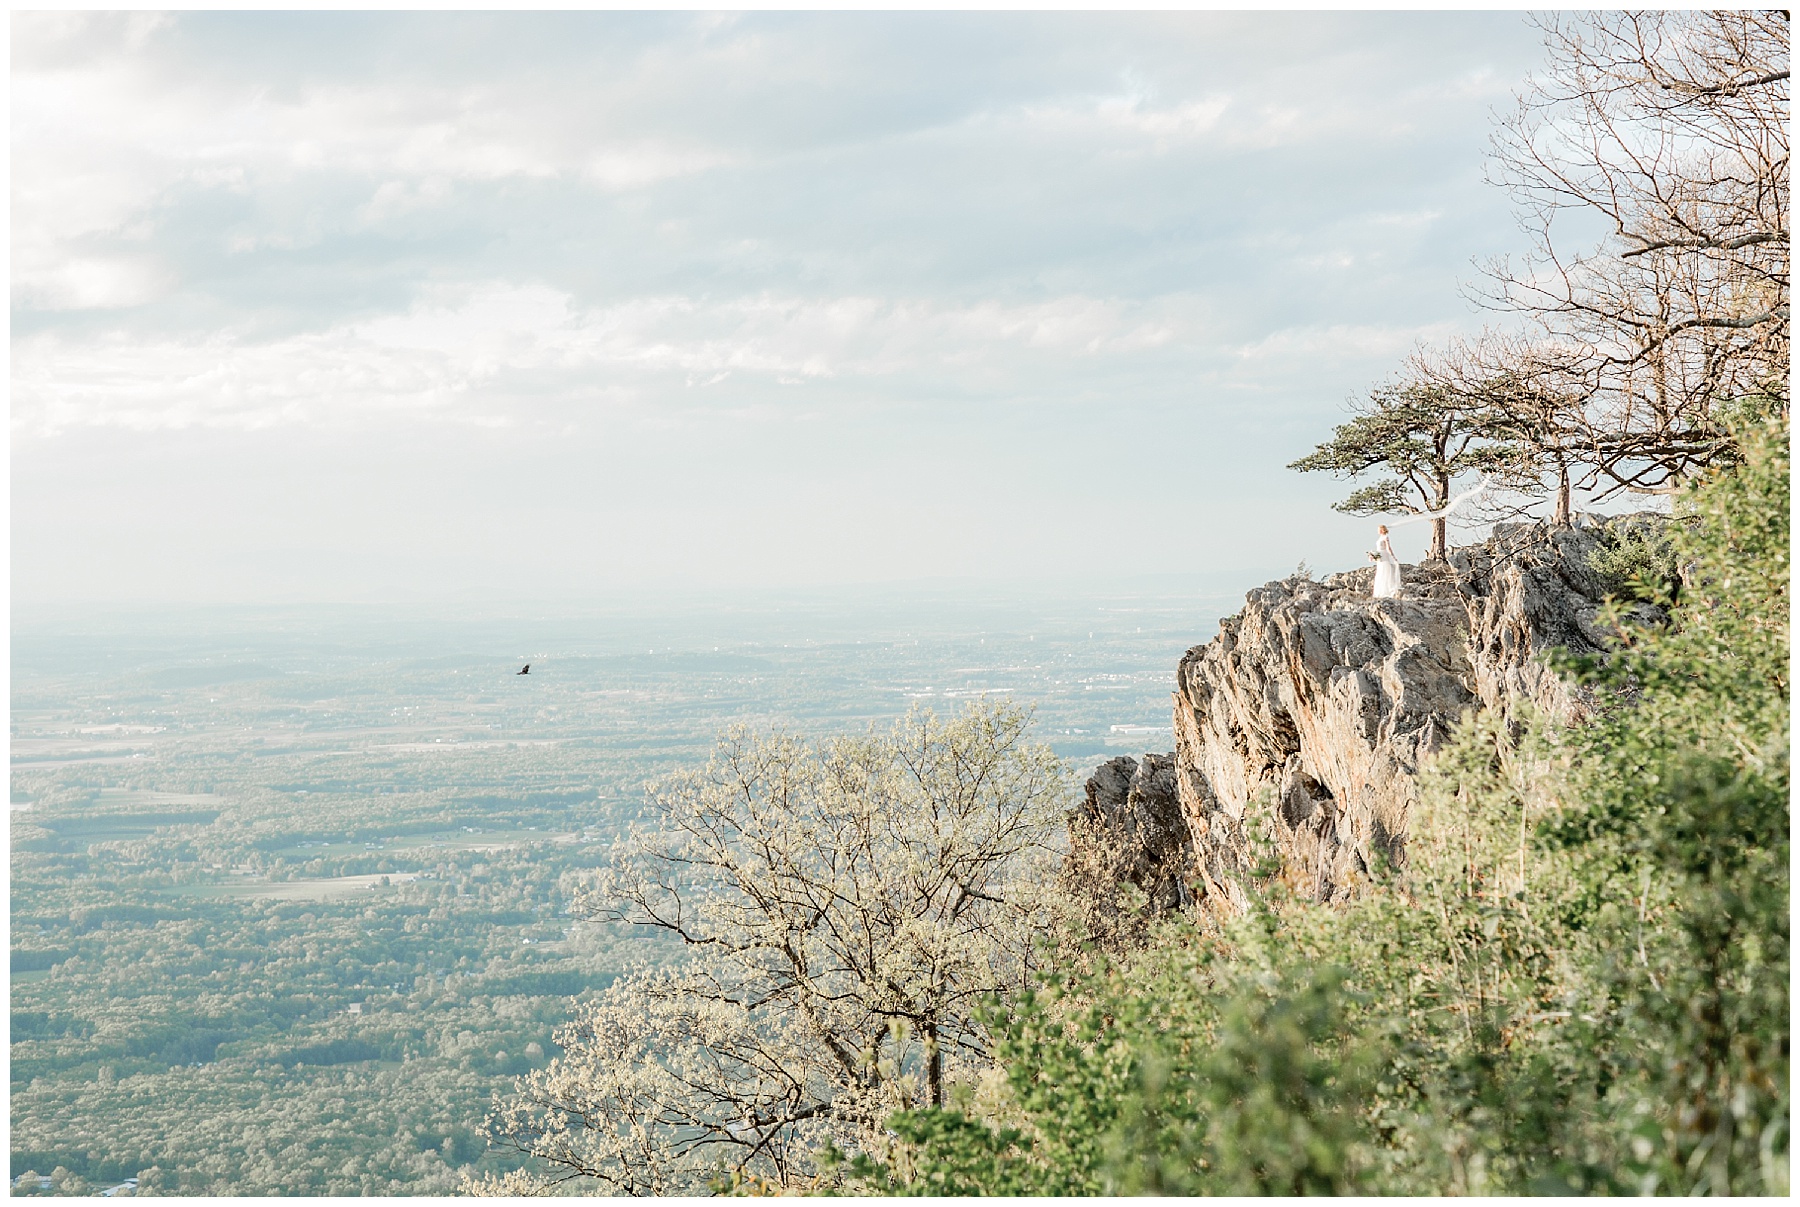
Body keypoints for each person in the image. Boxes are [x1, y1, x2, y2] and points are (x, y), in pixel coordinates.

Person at [1369, 524, 1401, 599]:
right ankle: (1379, 591)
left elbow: (1388, 548)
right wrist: (1373, 555)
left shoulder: (1386, 537)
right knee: (1380, 572)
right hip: (1380, 557)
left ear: (1381, 530)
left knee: (1385, 572)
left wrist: (1393, 557)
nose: (1377, 531)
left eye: (1378, 529)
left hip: (1384, 556)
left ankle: (1386, 591)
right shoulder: (1380, 537)